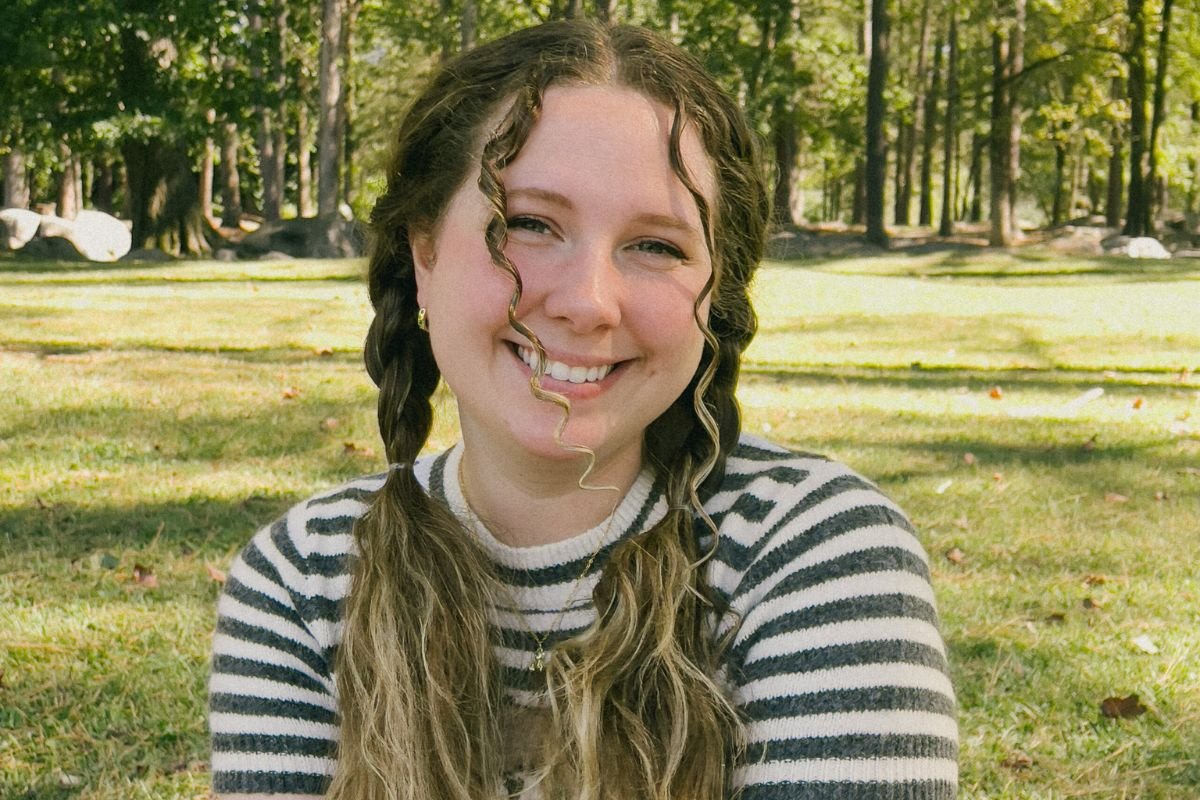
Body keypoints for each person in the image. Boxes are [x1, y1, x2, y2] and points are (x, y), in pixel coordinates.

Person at [208, 19, 958, 800]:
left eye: (657, 246)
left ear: (715, 296)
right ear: (423, 253)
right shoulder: (303, 582)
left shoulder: (815, 551)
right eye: (529, 225)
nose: (589, 302)